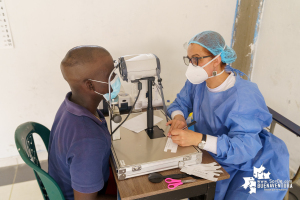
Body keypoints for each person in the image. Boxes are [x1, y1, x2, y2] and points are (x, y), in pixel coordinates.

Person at [167, 31, 290, 199]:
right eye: (189, 59)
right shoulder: (198, 81)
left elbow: (244, 147)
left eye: (196, 59)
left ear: (216, 60)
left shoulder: (244, 95)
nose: (191, 65)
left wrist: (199, 139)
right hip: (211, 152)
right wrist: (179, 118)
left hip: (248, 162)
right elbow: (179, 103)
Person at [48, 46, 120, 200]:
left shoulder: (70, 104)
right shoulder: (89, 141)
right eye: (111, 75)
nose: (115, 78)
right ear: (90, 85)